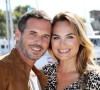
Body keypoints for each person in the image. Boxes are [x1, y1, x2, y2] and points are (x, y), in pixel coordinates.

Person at [42, 11, 100, 90]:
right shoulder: (45, 73)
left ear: (80, 39)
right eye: (56, 37)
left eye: (69, 37)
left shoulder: (95, 79)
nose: (62, 44)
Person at [0, 10, 51, 90]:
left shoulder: (38, 76)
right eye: (33, 33)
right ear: (17, 34)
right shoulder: (2, 69)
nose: (39, 41)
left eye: (45, 36)